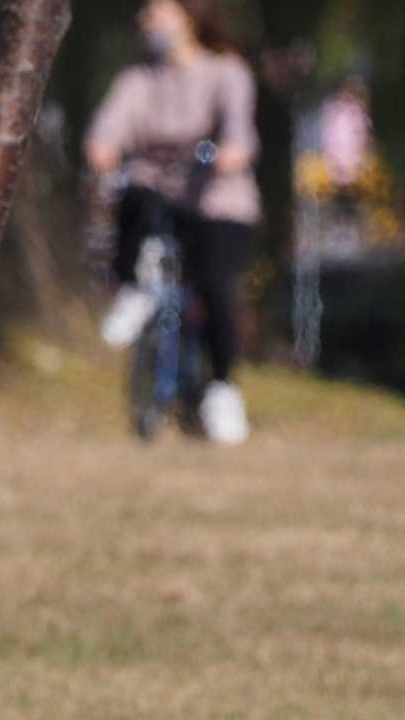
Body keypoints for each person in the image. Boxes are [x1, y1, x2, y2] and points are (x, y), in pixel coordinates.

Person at [86, 0, 259, 446]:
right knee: (134, 196)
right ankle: (132, 288)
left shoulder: (227, 72)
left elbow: (239, 134)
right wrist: (103, 149)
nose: (146, 20)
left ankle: (221, 387)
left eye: (157, 11)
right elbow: (108, 129)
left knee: (214, 284)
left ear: (189, 17)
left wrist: (229, 154)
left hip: (215, 198)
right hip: (159, 194)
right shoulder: (138, 81)